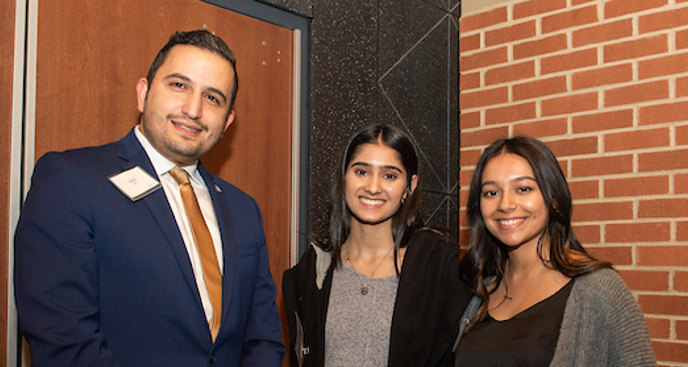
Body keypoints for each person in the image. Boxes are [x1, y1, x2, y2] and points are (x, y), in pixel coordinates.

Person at [14, 30, 284, 367]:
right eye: (179, 85)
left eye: (213, 97)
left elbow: (263, 340)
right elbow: (64, 341)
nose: (193, 109)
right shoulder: (72, 180)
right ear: (143, 94)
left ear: (227, 121)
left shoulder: (243, 209)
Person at [453, 136, 656, 366]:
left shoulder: (599, 290)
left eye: (523, 188)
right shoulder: (479, 296)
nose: (505, 204)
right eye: (491, 192)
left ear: (554, 199)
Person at [283, 124, 472, 367]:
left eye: (390, 176)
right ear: (344, 177)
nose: (373, 187)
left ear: (410, 186)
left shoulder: (439, 269)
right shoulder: (312, 272)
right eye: (361, 172)